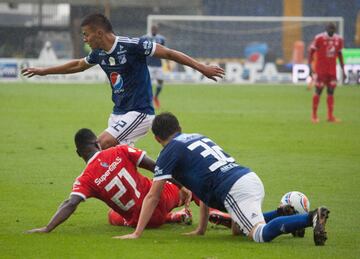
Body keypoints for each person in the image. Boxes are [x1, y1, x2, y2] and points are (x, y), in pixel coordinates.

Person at [117, 112, 330, 246]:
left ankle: (309, 218)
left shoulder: (169, 153)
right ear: (179, 128)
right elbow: (203, 188)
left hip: (234, 190)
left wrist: (137, 233)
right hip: (246, 177)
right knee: (238, 229)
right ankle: (282, 214)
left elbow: (153, 196)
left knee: (259, 235)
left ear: (156, 138)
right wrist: (201, 229)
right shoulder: (198, 136)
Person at [21, 13, 225, 149]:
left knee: (98, 145)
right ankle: (175, 187)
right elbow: (78, 65)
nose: (85, 39)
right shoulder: (99, 53)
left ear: (99, 33)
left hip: (139, 112)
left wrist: (202, 68)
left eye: (86, 35)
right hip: (118, 113)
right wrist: (42, 71)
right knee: (122, 159)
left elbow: (169, 53)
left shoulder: (132, 45)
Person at [26, 128, 192, 234]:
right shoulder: (120, 150)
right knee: (189, 181)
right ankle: (213, 209)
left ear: (79, 153)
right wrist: (182, 186)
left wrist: (47, 228)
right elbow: (157, 167)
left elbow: (70, 203)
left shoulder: (85, 179)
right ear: (97, 143)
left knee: (112, 216)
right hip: (162, 198)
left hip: (146, 221)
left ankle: (172, 217)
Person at [308, 22, 346, 123]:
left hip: (332, 71)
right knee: (318, 91)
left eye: (333, 29)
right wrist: (310, 67)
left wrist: (343, 69)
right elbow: (311, 52)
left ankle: (330, 116)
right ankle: (314, 116)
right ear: (326, 29)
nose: (331, 31)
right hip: (321, 71)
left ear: (335, 30)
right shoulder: (319, 38)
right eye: (329, 29)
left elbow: (340, 55)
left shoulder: (339, 40)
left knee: (331, 92)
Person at [142, 25, 168, 109]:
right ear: (150, 30)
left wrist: (167, 62)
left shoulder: (161, 39)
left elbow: (165, 51)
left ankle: (155, 97)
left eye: (155, 29)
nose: (154, 31)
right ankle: (148, 100)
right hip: (148, 64)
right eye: (153, 29)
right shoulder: (144, 38)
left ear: (157, 30)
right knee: (147, 83)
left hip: (158, 64)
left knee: (160, 81)